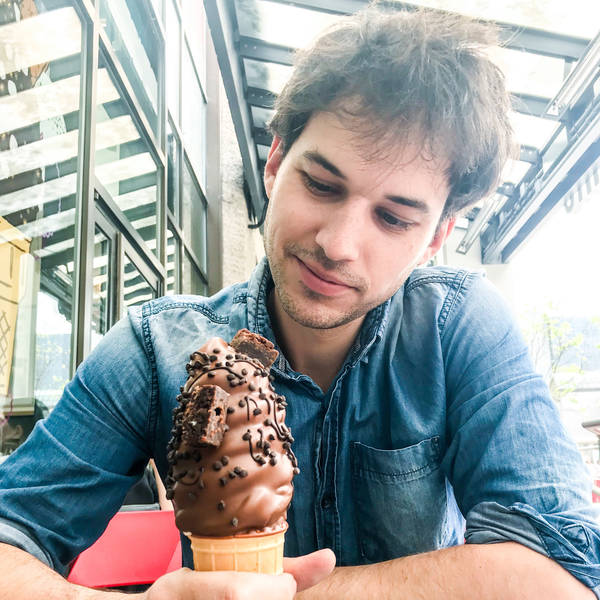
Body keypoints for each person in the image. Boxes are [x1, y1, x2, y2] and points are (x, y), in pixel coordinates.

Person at [1, 7, 599, 599]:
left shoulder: (458, 327)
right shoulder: (157, 349)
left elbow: (563, 574)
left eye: (392, 218)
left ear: (436, 238)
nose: (338, 245)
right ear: (275, 162)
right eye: (320, 184)